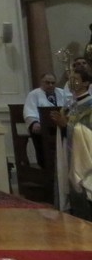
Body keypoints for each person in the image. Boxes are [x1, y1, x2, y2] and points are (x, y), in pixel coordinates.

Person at [51, 66, 92, 220]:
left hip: (84, 160)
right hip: (68, 153)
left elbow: (88, 134)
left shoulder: (90, 106)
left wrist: (66, 126)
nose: (72, 82)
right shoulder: (70, 105)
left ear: (86, 82)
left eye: (76, 79)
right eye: (71, 79)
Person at [24, 72, 70, 167]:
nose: (50, 85)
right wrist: (34, 122)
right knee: (40, 139)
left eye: (53, 83)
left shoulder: (61, 92)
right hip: (42, 127)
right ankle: (45, 166)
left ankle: (64, 165)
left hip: (60, 126)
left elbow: (68, 107)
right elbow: (29, 110)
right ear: (41, 82)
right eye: (47, 82)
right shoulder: (34, 94)